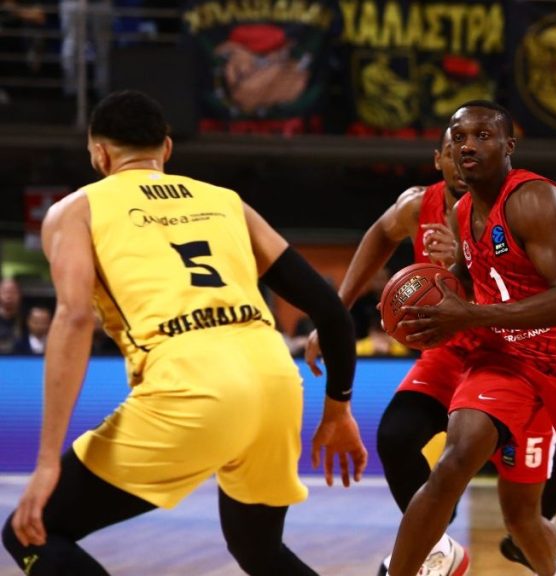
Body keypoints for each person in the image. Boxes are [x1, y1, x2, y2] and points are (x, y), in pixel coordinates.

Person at [1, 90, 367, 576]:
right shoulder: (227, 203)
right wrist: (338, 409)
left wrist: (48, 460)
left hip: (191, 386)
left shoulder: (77, 210)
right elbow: (330, 309)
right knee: (259, 550)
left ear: (100, 155)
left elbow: (73, 318)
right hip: (276, 382)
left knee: (32, 531)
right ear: (167, 149)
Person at [305, 128, 556, 576]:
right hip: (449, 356)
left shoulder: (518, 209)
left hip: (511, 359)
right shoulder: (419, 205)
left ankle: (548, 566)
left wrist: (469, 262)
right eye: (453, 151)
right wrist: (339, 309)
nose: (464, 157)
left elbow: (545, 294)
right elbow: (380, 233)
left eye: (475, 149)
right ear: (439, 159)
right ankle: (437, 546)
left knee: (524, 520)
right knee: (396, 437)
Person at [387, 101, 556, 576]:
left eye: (482, 135)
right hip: (512, 355)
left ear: (508, 146)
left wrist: (468, 315)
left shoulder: (535, 200)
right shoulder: (462, 212)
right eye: (459, 137)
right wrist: (423, 308)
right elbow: (466, 280)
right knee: (453, 462)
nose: (468, 146)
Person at [0, 277, 23, 353]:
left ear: (20, 294)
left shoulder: (27, 320)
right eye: (5, 292)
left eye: (12, 292)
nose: (9, 296)